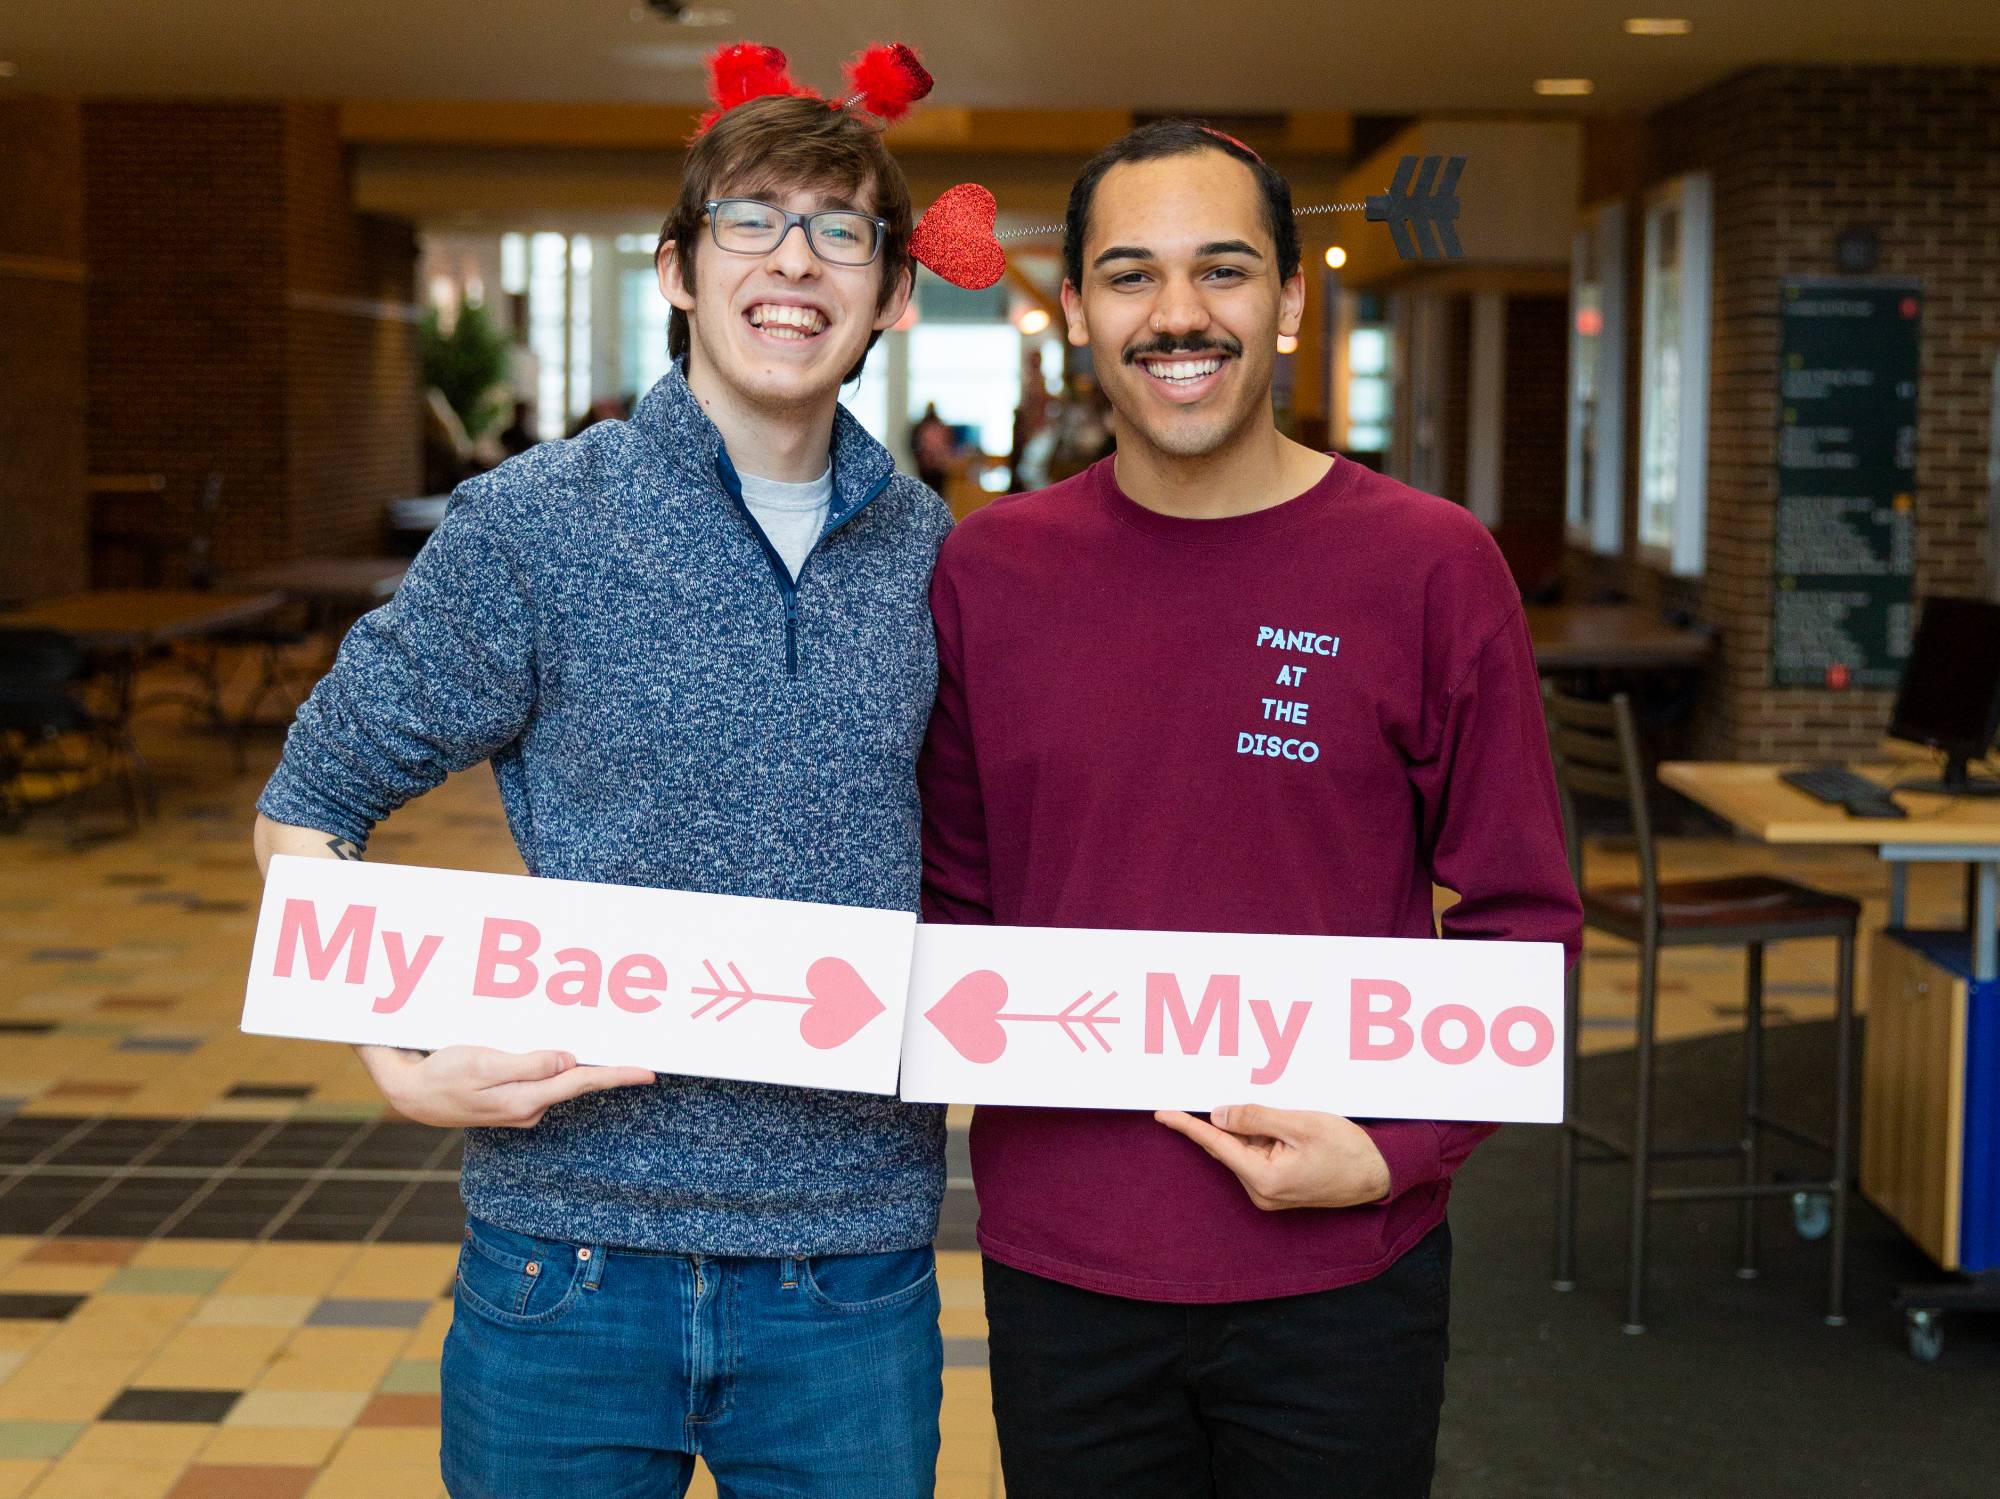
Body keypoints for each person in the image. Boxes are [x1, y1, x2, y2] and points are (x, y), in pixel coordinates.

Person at [254, 90, 951, 1499]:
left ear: (895, 294)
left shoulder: (947, 558)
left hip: (851, 1264)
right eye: (748, 221)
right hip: (565, 1255)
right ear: (678, 272)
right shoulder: (532, 528)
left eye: (838, 231)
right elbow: (311, 801)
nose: (793, 260)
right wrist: (392, 1050)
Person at [918, 120, 1583, 1498]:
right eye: (1130, 275)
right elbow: (953, 913)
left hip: (1347, 1261)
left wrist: (1398, 1152)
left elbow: (1526, 917)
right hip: (1066, 1269)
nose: (1177, 316)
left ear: (1288, 299)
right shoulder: (989, 573)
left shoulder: (1431, 568)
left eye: (1222, 271)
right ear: (1080, 308)